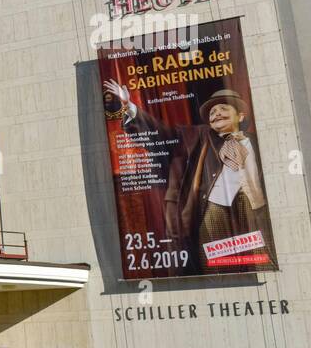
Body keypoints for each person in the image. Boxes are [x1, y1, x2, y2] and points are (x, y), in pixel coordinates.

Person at [104, 80, 276, 270]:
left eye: (223, 107)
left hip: (256, 211)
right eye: (212, 112)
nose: (216, 112)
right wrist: (130, 108)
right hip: (213, 211)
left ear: (241, 115)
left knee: (263, 262)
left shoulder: (260, 141)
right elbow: (162, 133)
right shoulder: (197, 136)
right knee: (216, 267)